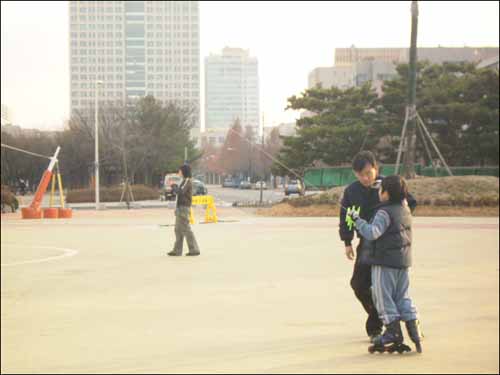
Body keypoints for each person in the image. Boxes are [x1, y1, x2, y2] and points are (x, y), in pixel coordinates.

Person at [339, 151, 417, 342]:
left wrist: (394, 222)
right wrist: (347, 241)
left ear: (376, 168)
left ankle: (383, 325)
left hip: (387, 246)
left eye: (369, 173)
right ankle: (378, 317)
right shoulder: (352, 191)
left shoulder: (388, 185)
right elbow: (346, 216)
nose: (366, 178)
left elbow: (410, 203)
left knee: (386, 288)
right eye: (361, 175)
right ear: (355, 174)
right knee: (358, 284)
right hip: (366, 244)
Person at [348, 175, 423, 353]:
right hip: (403, 263)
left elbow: (373, 232)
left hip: (384, 264)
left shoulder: (384, 212)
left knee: (384, 298)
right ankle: (414, 328)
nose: (379, 193)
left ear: (386, 193)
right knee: (402, 296)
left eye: (381, 190)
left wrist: (357, 220)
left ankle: (392, 332)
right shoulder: (405, 209)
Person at [168, 164, 200, 257]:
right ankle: (177, 250)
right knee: (178, 229)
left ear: (183, 171)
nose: (178, 172)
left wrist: (173, 186)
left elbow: (181, 192)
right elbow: (179, 192)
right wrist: (174, 188)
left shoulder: (187, 181)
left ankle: (194, 249)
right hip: (180, 207)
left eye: (180, 170)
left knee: (186, 228)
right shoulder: (184, 181)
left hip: (184, 207)